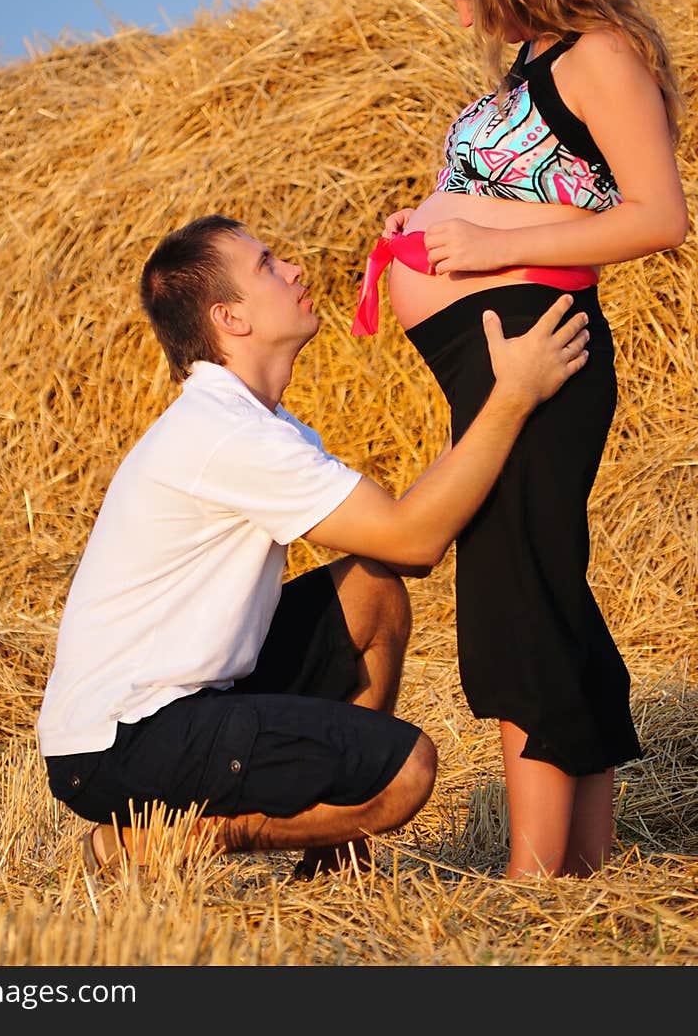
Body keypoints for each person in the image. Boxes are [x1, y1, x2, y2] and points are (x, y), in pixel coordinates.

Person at [37, 212, 591, 902]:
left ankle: (336, 864)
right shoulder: (226, 435)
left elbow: (397, 541)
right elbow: (419, 536)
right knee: (405, 774)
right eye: (268, 265)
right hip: (124, 740)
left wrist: (491, 401)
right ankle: (149, 840)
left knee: (374, 588)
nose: (294, 270)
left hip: (193, 697)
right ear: (230, 316)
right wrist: (512, 397)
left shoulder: (260, 424)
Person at [351, 0, 688, 879]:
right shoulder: (537, 60)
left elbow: (658, 217)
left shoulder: (597, 56)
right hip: (491, 353)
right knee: (533, 589)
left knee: (519, 598)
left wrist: (486, 240)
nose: (451, 3)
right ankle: (578, 861)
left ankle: (536, 878)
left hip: (535, 348)